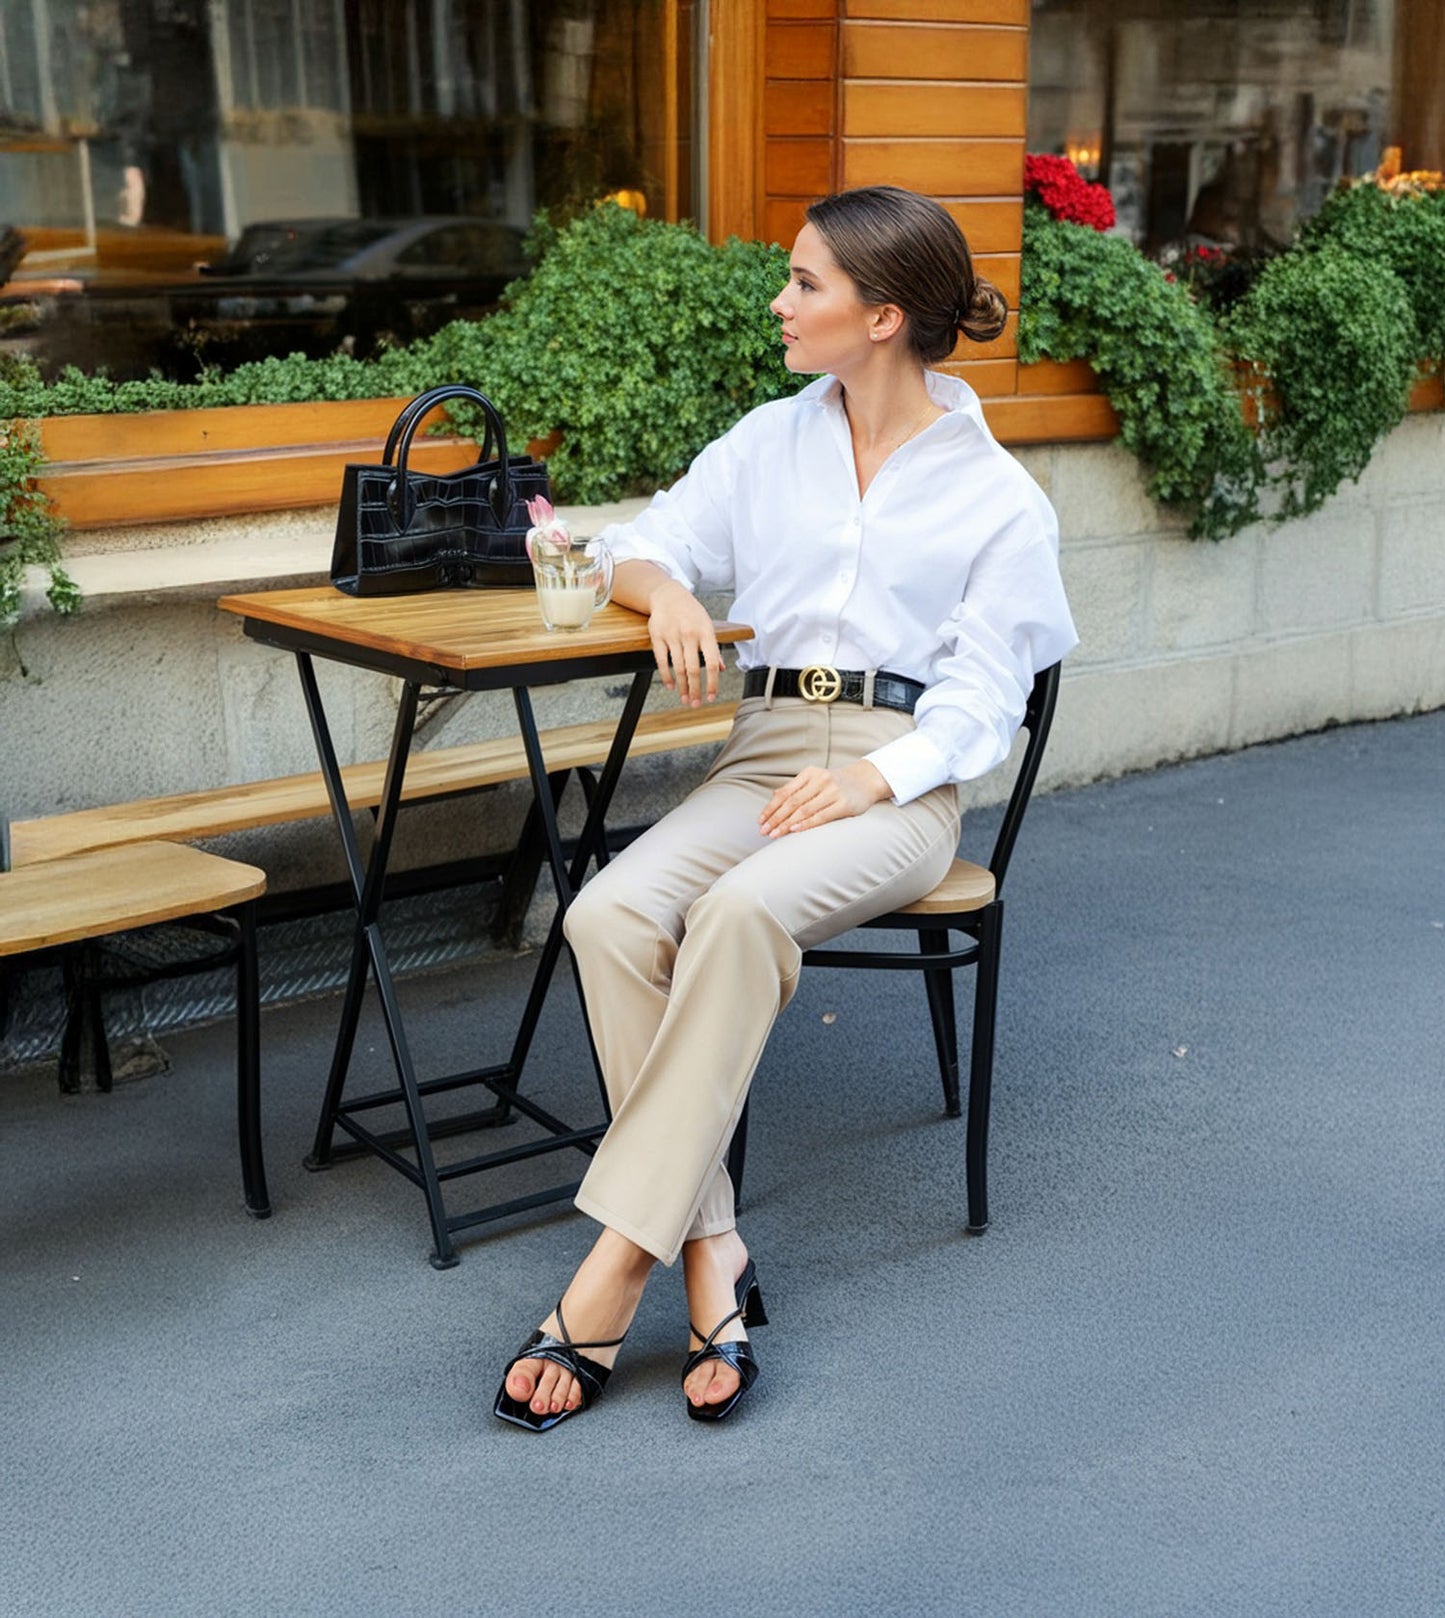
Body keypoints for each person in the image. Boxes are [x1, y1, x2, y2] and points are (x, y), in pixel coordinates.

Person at [494, 184, 1078, 1430]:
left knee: (742, 910)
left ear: (881, 316)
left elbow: (987, 701)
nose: (779, 300)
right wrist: (667, 596)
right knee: (605, 916)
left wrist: (870, 778)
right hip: (762, 753)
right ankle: (714, 1249)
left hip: (896, 782)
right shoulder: (767, 439)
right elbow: (632, 548)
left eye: (803, 282)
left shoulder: (997, 499)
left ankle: (613, 1268)